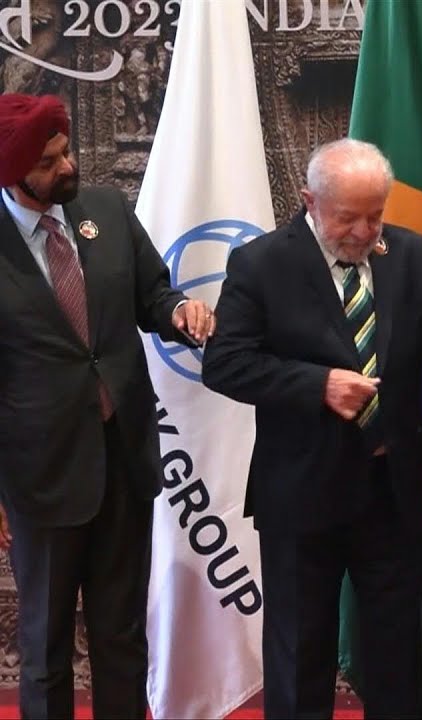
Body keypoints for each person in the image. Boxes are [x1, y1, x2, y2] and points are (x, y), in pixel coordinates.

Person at [202, 138, 422, 719]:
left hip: (392, 487)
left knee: (395, 651)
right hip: (302, 491)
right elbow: (226, 363)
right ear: (309, 200)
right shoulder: (262, 263)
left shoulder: (409, 254)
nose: (365, 232)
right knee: (299, 648)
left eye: (375, 215)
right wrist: (317, 386)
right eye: (348, 217)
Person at [0, 92, 214, 719]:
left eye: (64, 151)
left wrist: (180, 311)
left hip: (123, 461)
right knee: (45, 648)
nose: (67, 167)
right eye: (48, 162)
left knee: (123, 638)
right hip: (40, 479)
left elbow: (154, 294)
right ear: (12, 173)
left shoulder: (108, 211)